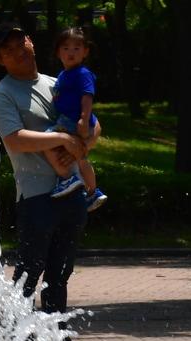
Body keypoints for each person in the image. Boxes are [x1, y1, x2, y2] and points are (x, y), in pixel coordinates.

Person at [0, 20, 100, 341]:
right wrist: (62, 140)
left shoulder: (58, 82)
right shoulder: (2, 94)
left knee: (59, 274)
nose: (18, 51)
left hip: (72, 194)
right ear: (0, 60)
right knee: (28, 273)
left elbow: (93, 124)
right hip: (37, 197)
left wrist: (82, 144)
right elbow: (15, 139)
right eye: (8, 49)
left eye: (21, 42)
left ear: (32, 43)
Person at [41, 27, 108, 212]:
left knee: (46, 139)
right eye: (66, 48)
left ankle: (66, 178)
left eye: (77, 48)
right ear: (58, 52)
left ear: (85, 52)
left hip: (74, 120)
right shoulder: (63, 75)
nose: (71, 52)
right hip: (69, 118)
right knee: (81, 157)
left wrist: (84, 120)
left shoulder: (82, 73)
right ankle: (93, 191)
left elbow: (87, 97)